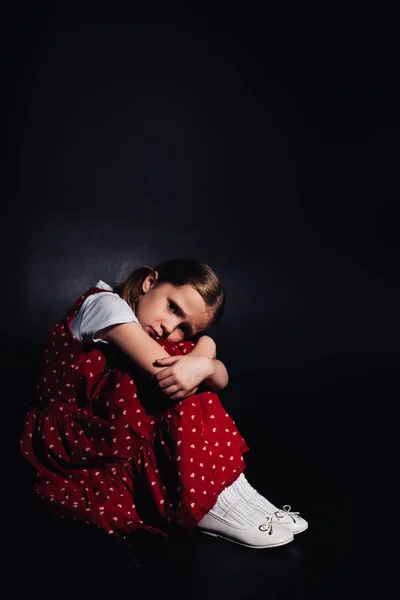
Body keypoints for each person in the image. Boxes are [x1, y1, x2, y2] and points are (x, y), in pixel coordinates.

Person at [20, 257, 308, 549]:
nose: (169, 326)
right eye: (172, 307)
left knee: (185, 363)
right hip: (66, 444)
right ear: (150, 283)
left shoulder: (148, 323)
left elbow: (219, 378)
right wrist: (204, 352)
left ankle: (236, 496)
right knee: (176, 363)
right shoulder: (105, 305)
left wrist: (205, 357)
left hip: (99, 428)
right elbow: (166, 370)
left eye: (185, 327)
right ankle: (209, 504)